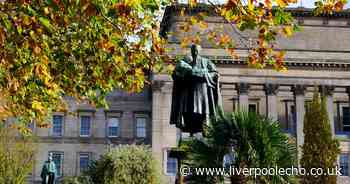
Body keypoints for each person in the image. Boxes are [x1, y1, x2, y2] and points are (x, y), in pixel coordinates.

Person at [170, 44, 222, 135]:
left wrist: (205, 75)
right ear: (191, 51)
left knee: (204, 111)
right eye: (193, 50)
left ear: (200, 51)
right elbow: (175, 74)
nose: (195, 52)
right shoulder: (186, 62)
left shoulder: (206, 62)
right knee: (188, 111)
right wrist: (183, 73)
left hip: (202, 90)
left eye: (197, 50)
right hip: (188, 91)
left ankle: (205, 129)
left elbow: (215, 73)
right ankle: (188, 130)